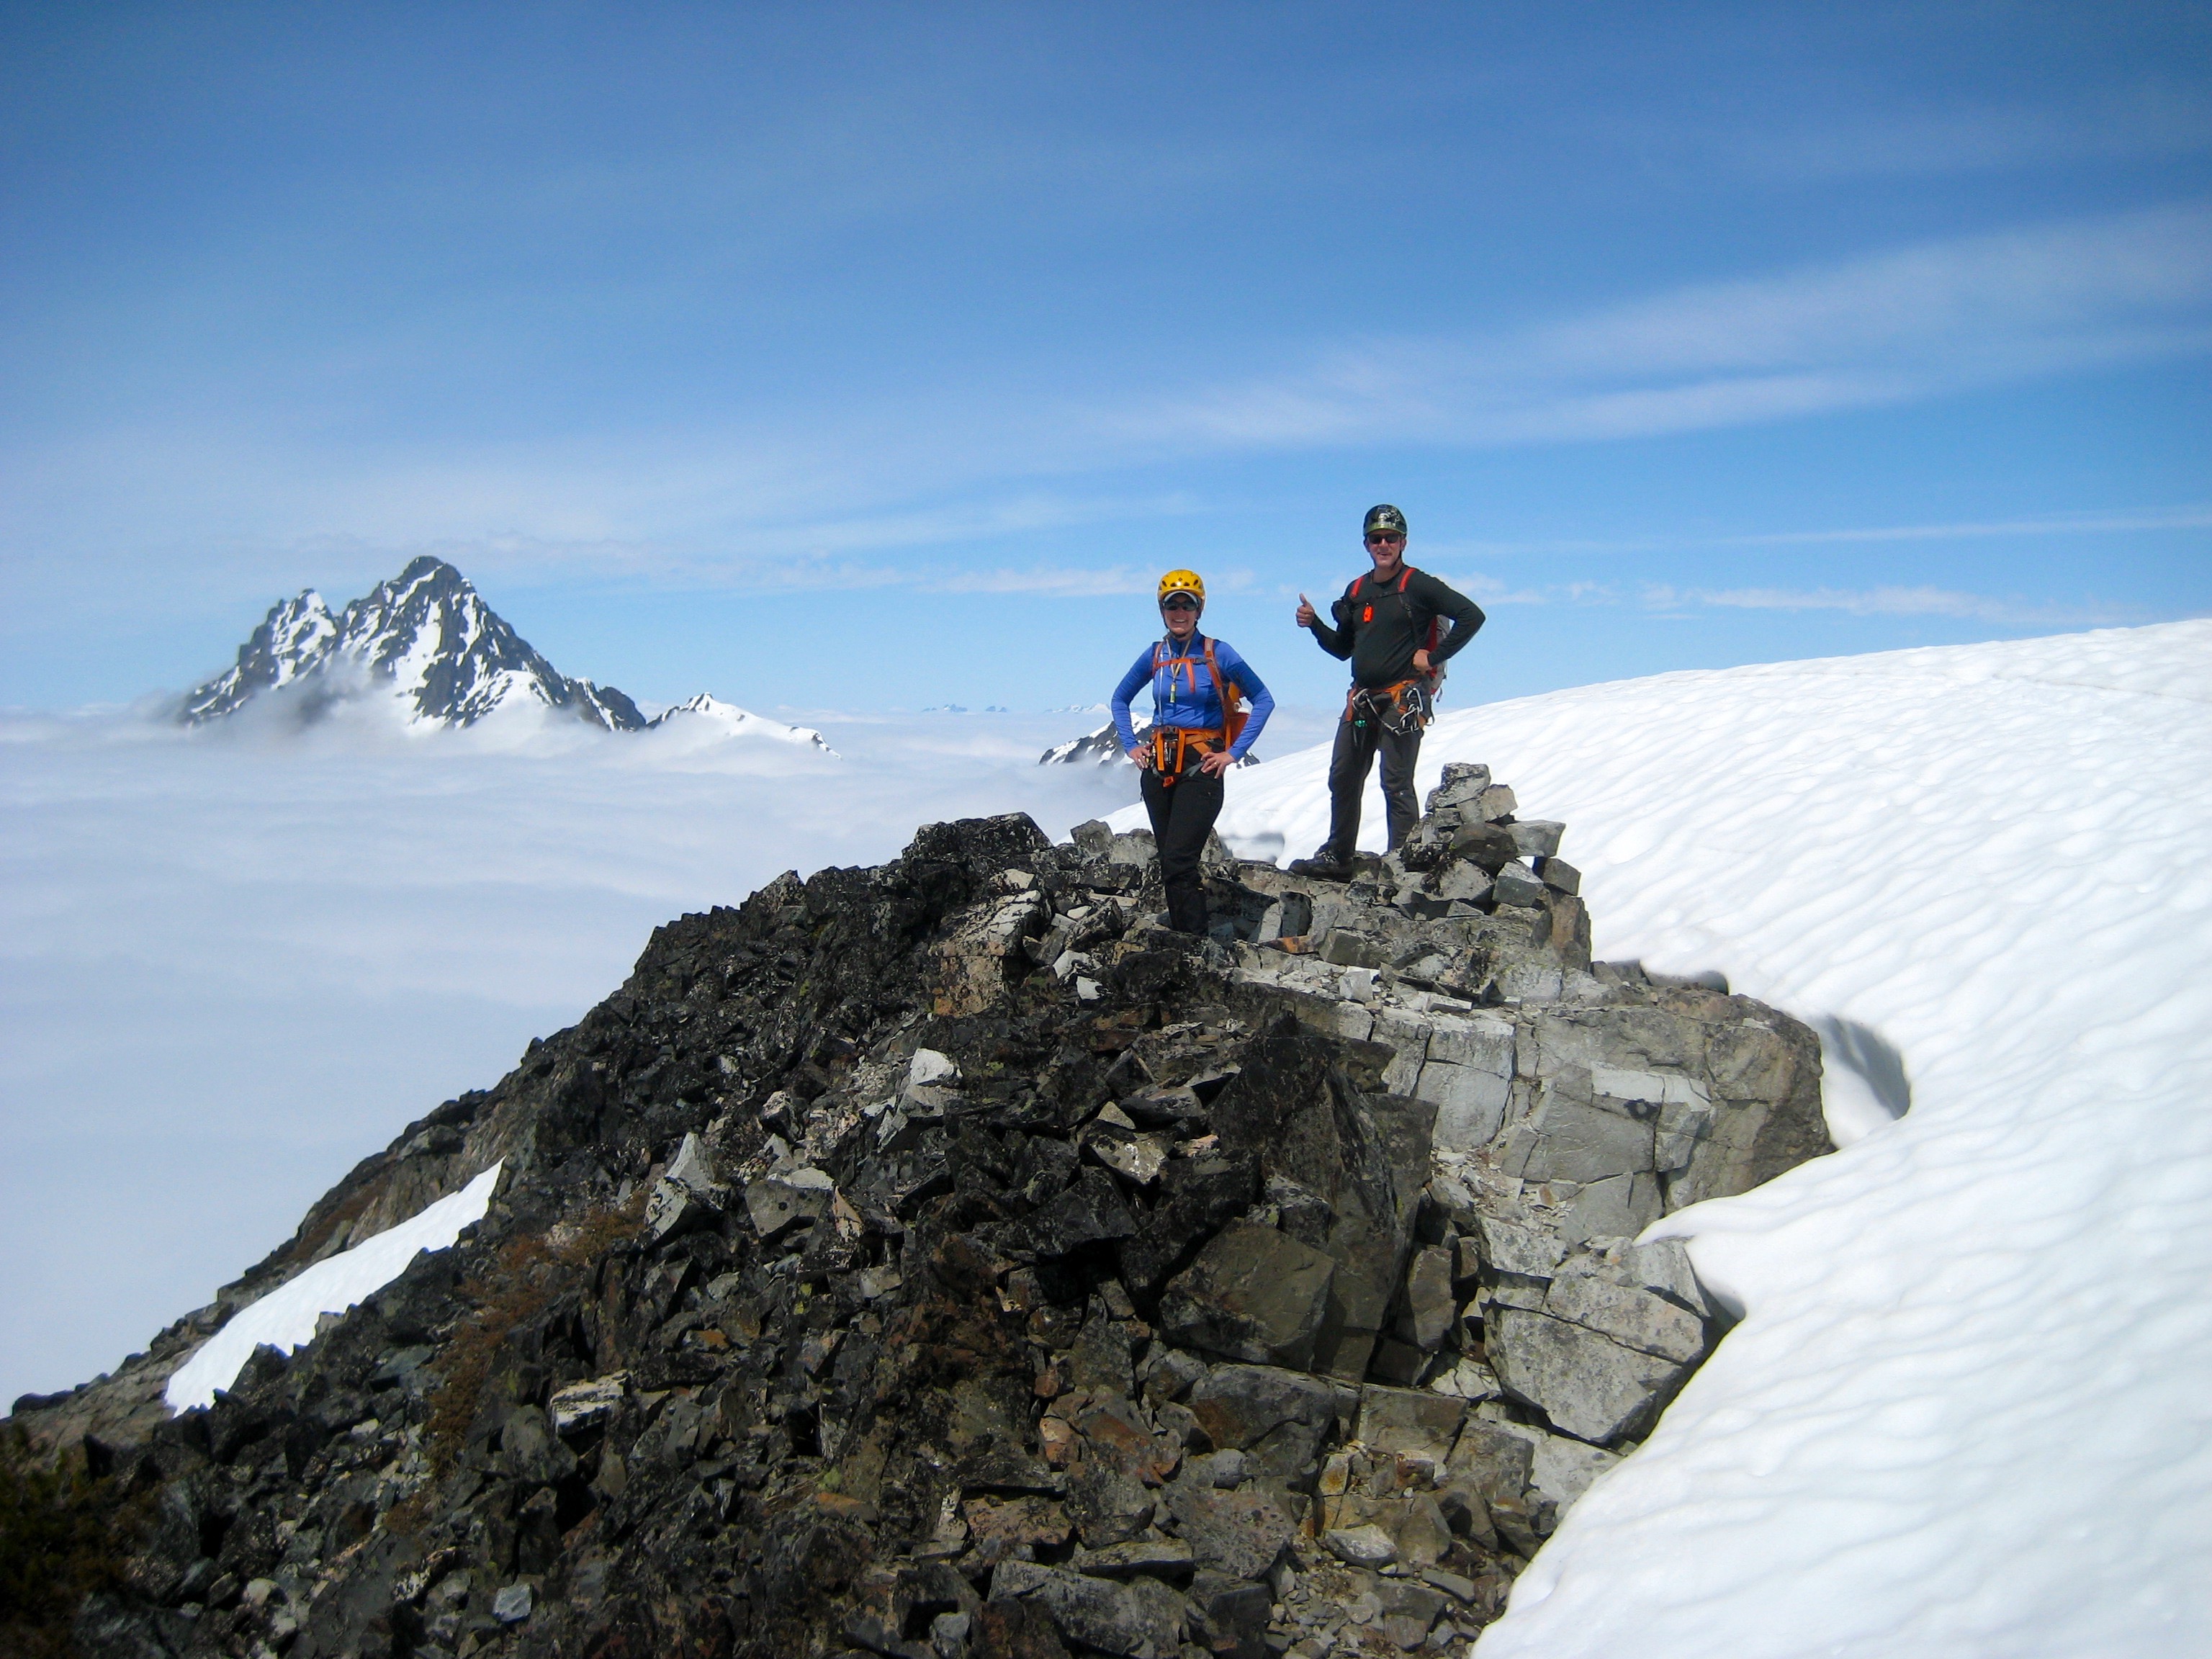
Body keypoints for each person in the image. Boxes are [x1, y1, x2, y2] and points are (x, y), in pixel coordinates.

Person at [1289, 504, 1485, 878]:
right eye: (1376, 538)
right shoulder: (1357, 590)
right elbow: (1343, 649)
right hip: (1363, 702)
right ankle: (1339, 856)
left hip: (1402, 702)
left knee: (1395, 782)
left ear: (1403, 542)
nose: (1384, 544)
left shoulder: (1418, 585)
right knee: (1344, 776)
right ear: (1366, 544)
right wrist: (1314, 624)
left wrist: (1434, 657)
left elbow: (1471, 615)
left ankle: (1403, 866)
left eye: (1391, 538)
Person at [1110, 570, 1276, 935]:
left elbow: (1263, 700)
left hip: (1202, 766)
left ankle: (1194, 944)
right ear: (1162, 610)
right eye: (1172, 605)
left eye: (1188, 605)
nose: (1180, 612)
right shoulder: (1155, 654)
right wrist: (1131, 745)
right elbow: (1120, 699)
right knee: (1170, 862)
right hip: (1158, 766)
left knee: (1180, 860)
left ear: (1200, 610)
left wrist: (1234, 753)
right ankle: (1186, 938)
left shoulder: (1219, 652)